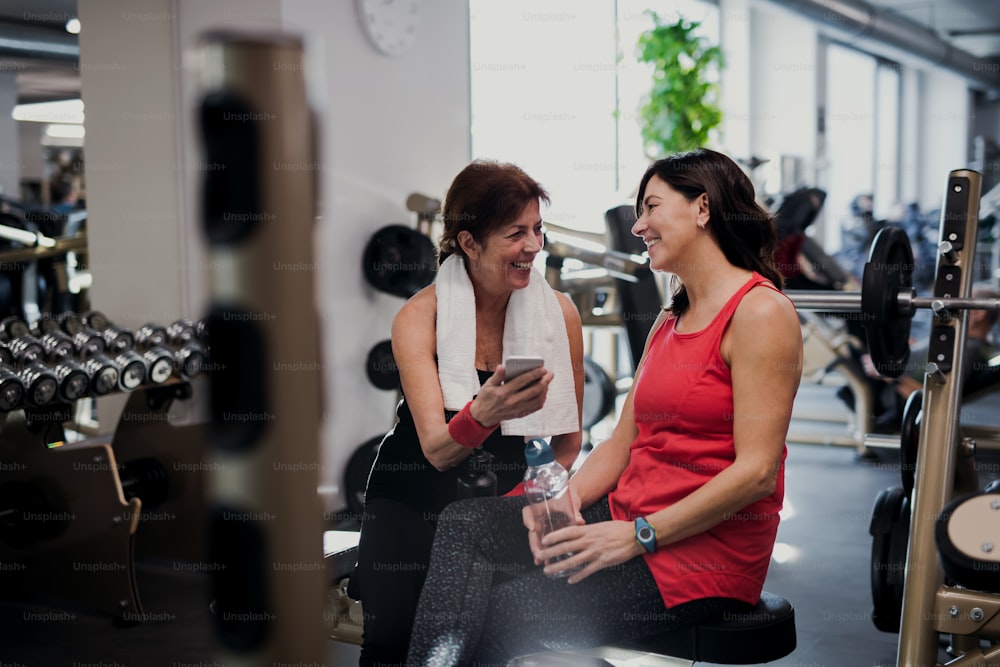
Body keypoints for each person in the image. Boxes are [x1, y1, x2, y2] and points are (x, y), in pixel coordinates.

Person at [405, 148, 804, 666]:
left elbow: (756, 474)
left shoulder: (761, 313)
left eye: (651, 207)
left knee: (506, 613)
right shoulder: (672, 315)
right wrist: (564, 505)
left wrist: (639, 536)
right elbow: (621, 442)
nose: (639, 226)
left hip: (701, 555)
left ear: (702, 208)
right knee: (466, 525)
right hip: (627, 514)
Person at [352, 159, 585, 667]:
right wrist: (486, 413)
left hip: (501, 504)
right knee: (391, 641)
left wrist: (528, 504)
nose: (533, 246)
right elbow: (437, 450)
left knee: (482, 645)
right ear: (469, 243)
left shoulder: (559, 314)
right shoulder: (419, 317)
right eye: (515, 233)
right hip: (411, 493)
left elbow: (568, 441)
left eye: (537, 230)